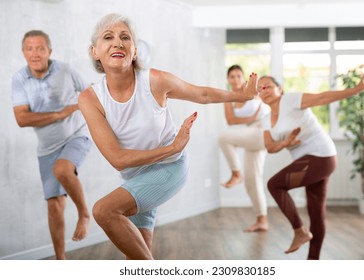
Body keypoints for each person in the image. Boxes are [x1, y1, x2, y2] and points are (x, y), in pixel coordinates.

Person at [78, 13, 258, 260]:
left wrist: (241, 96)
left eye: (125, 38)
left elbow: (201, 94)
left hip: (169, 169)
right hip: (137, 175)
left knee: (104, 211)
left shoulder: (154, 81)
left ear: (135, 51)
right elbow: (118, 159)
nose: (117, 43)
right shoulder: (90, 99)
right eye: (108, 37)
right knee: (138, 255)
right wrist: (171, 147)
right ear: (95, 51)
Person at [258, 73, 364, 260]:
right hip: (308, 160)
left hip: (321, 154)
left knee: (274, 184)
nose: (264, 90)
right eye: (260, 89)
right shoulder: (266, 120)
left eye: (267, 85)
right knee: (316, 212)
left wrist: (355, 90)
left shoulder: (290, 100)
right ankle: (313, 262)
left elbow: (322, 97)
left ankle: (299, 231)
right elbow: (269, 147)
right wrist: (285, 143)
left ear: (279, 88)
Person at [11, 30, 92, 260]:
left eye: (40, 48)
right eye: (29, 48)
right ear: (23, 52)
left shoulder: (65, 70)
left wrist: (85, 111)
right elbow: (21, 118)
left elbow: (91, 93)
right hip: (46, 148)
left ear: (49, 51)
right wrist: (60, 113)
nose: (35, 53)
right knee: (55, 207)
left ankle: (84, 214)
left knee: (62, 169)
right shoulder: (19, 79)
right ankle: (60, 262)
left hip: (76, 135)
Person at [218, 65, 270, 232]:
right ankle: (262, 220)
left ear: (243, 77)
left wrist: (256, 117)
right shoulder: (228, 97)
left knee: (223, 137)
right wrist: (252, 117)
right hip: (251, 132)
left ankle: (236, 173)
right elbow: (230, 120)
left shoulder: (251, 90)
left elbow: (268, 101)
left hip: (263, 130)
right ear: (228, 80)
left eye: (238, 76)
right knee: (252, 180)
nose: (235, 79)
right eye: (232, 76)